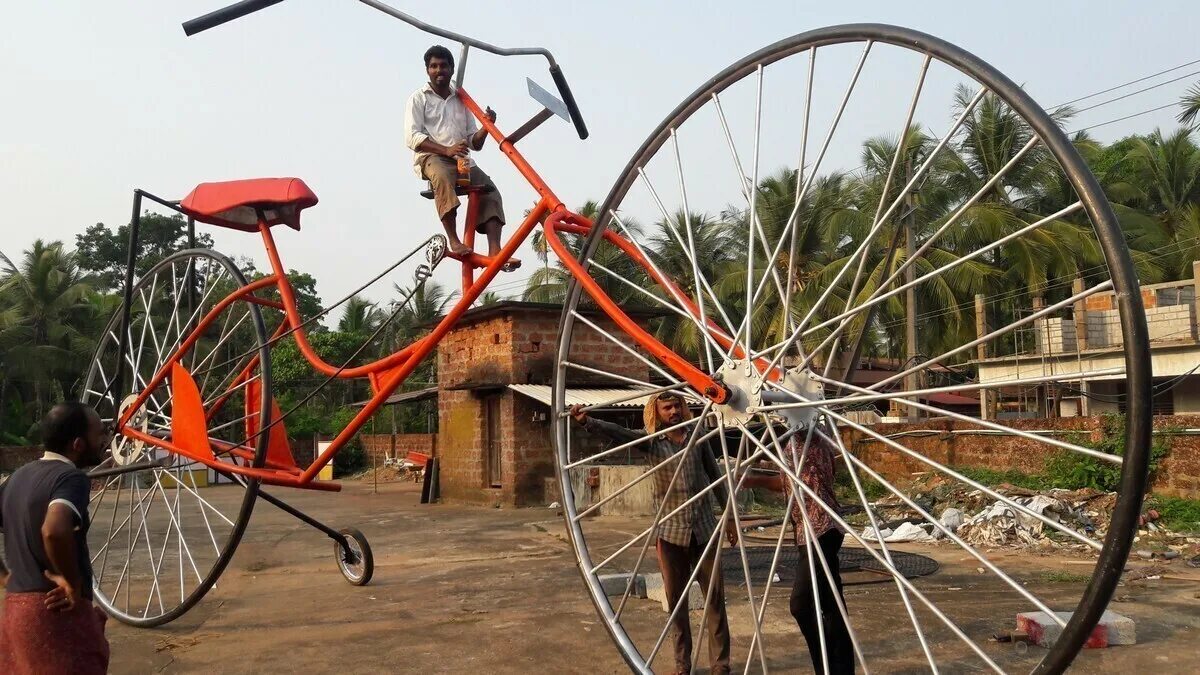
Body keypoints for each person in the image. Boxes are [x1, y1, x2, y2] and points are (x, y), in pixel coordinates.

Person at [571, 393, 734, 675]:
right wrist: (588, 422)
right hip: (670, 533)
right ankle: (682, 666)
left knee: (715, 600)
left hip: (705, 529)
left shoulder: (698, 436)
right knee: (677, 603)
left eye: (677, 406)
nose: (673, 411)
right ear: (657, 413)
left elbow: (716, 477)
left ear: (684, 408)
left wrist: (729, 516)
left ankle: (720, 665)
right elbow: (621, 433)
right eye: (667, 408)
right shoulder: (652, 442)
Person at [0, 402, 110, 675]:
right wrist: (72, 583)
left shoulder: (16, 478)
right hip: (56, 616)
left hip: (15, 614)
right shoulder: (70, 478)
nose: (105, 441)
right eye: (99, 434)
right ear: (78, 444)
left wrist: (4, 577)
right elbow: (54, 530)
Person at [403, 44, 519, 270]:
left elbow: (473, 142)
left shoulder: (461, 98)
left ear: (452, 69)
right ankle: (454, 240)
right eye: (434, 66)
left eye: (443, 66)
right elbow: (412, 137)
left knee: (490, 189)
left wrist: (487, 127)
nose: (439, 71)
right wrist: (446, 150)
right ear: (427, 70)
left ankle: (495, 250)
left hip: (462, 160)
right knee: (443, 177)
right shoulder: (418, 99)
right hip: (432, 157)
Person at [780, 432, 854, 674]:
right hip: (817, 530)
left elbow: (802, 482)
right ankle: (839, 669)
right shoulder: (804, 442)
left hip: (819, 531)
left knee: (801, 605)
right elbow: (793, 482)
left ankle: (827, 667)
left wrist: (752, 480)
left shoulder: (807, 442)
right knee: (830, 604)